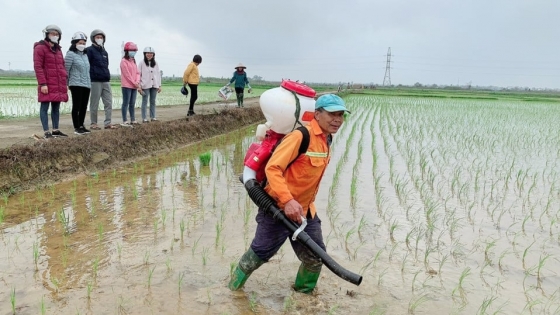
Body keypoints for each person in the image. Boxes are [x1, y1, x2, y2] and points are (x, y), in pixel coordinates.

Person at [228, 94, 351, 293]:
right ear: (317, 114)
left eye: (341, 115)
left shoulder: (326, 138)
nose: (337, 119)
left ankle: (303, 298)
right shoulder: (300, 137)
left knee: (315, 258)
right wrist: (287, 201)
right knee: (259, 254)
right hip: (277, 209)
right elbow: (273, 169)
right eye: (332, 114)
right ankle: (232, 289)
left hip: (305, 212)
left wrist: (299, 205)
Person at [33, 24, 69, 139]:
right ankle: (46, 131)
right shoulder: (40, 48)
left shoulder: (58, 50)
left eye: (57, 34)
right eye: (52, 34)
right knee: (44, 107)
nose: (55, 36)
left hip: (58, 83)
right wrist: (42, 83)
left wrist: (65, 83)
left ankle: (56, 130)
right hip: (47, 84)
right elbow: (38, 67)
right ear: (47, 35)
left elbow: (62, 67)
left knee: (56, 107)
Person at [86, 29, 117, 130]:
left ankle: (107, 123)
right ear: (93, 39)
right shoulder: (89, 50)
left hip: (105, 80)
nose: (99, 39)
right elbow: (87, 65)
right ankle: (93, 123)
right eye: (97, 37)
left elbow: (106, 65)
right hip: (95, 80)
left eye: (101, 37)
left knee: (108, 102)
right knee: (94, 103)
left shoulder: (104, 52)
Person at [64, 31, 91, 135]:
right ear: (74, 43)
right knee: (77, 106)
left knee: (84, 106)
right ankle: (76, 127)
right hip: (75, 84)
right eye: (80, 43)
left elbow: (87, 70)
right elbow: (66, 70)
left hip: (86, 84)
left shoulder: (85, 55)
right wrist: (67, 84)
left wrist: (89, 83)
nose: (82, 45)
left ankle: (81, 125)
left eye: (84, 43)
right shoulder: (70, 54)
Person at [119, 42, 140, 127]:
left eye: (134, 50)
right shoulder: (124, 61)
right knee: (126, 103)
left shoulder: (133, 61)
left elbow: (137, 73)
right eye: (131, 50)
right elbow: (127, 74)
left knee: (132, 103)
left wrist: (137, 82)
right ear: (126, 51)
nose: (133, 52)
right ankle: (125, 120)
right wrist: (134, 82)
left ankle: (133, 119)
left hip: (134, 86)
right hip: (127, 85)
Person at [138, 46, 162, 122]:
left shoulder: (155, 63)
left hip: (154, 85)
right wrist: (139, 86)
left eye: (151, 53)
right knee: (145, 101)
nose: (149, 54)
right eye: (148, 53)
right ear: (144, 54)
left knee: (153, 101)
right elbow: (138, 74)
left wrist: (159, 85)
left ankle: (153, 117)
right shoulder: (142, 63)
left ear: (153, 54)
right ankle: (144, 118)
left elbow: (158, 74)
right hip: (145, 85)